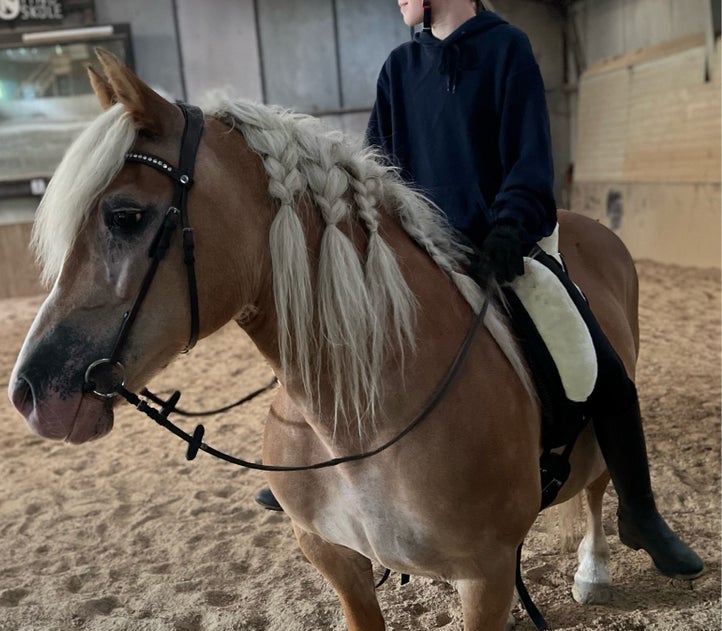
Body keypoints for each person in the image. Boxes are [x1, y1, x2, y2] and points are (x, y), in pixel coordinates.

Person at [256, 0, 703, 582]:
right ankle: (312, 468)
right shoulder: (398, 68)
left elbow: (530, 162)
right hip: (420, 256)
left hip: (506, 251)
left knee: (603, 370)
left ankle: (640, 513)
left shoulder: (507, 49)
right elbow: (378, 172)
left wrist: (509, 229)